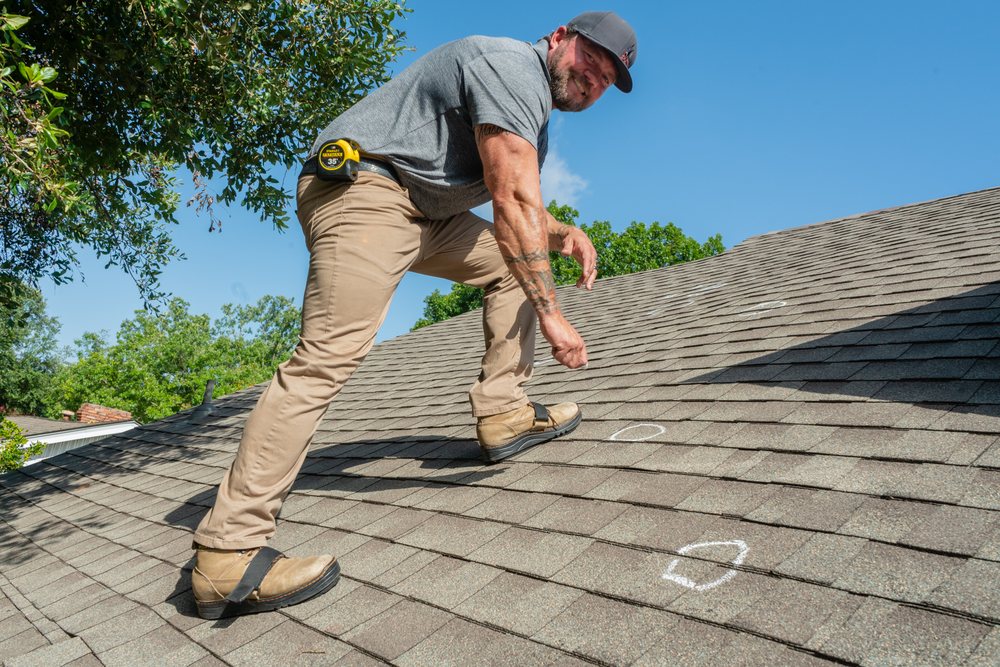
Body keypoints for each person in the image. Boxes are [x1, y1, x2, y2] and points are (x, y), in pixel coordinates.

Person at [189, 11, 637, 620]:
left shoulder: (530, 107)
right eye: (591, 61)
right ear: (560, 38)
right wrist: (553, 315)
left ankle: (504, 412)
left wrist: (563, 233)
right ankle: (227, 555)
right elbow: (513, 199)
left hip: (424, 209)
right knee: (327, 357)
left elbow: (521, 206)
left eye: (607, 79)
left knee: (514, 266)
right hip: (365, 189)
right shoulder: (511, 65)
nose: (593, 81)